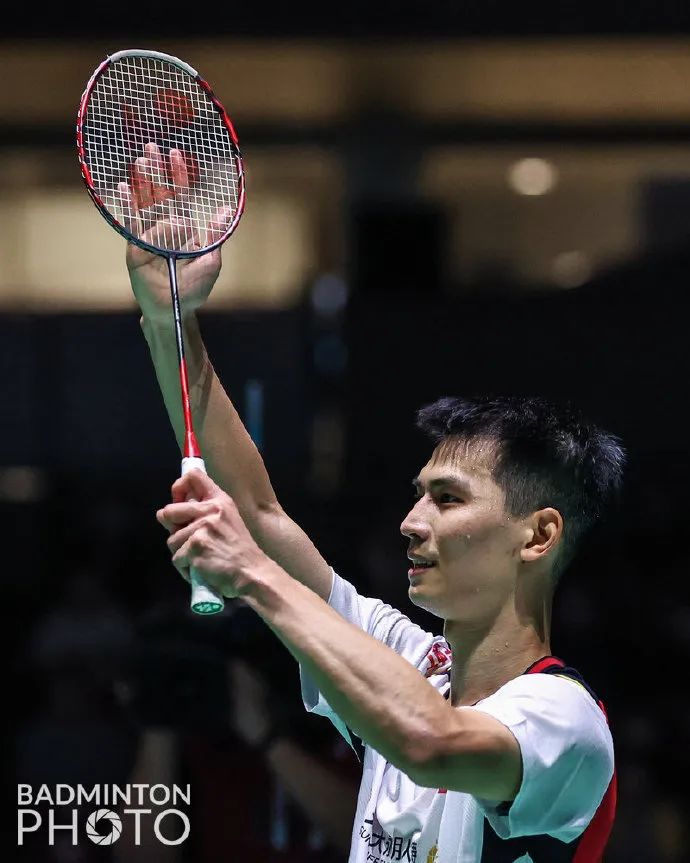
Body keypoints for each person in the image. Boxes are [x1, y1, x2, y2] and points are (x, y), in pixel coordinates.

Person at [126, 166, 623, 861]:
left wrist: (255, 577)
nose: (411, 522)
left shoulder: (563, 720)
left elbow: (432, 741)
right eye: (419, 494)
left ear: (538, 534)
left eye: (448, 498)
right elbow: (259, 513)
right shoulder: (410, 663)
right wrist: (168, 322)